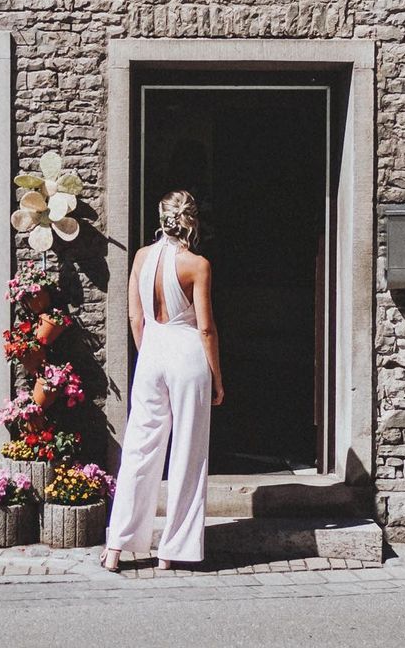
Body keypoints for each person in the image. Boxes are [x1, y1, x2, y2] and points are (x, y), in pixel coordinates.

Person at [100, 190, 224, 572]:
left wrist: (149, 351)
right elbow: (205, 328)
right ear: (192, 220)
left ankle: (116, 547)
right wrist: (217, 378)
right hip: (187, 357)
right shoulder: (197, 265)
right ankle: (172, 551)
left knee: (139, 448)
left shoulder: (140, 257)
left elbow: (135, 318)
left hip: (152, 353)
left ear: (162, 217)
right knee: (187, 452)